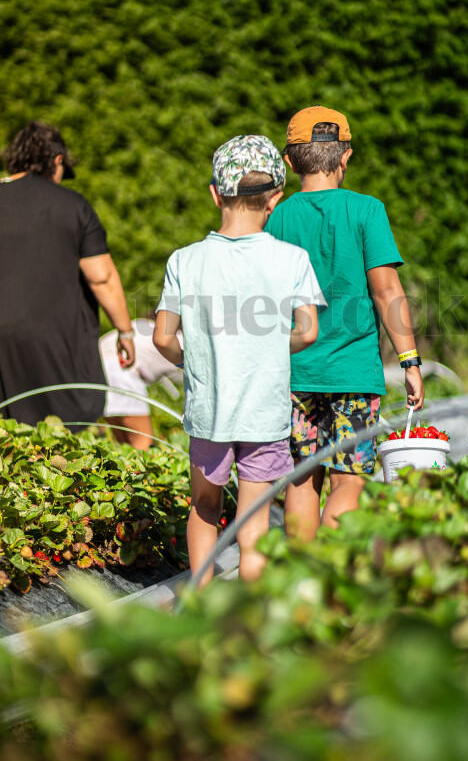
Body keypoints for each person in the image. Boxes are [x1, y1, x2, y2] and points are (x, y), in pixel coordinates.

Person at [153, 135, 325, 584]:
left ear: (215, 194)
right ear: (275, 199)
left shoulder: (184, 260)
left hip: (209, 411)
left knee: (204, 508)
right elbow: (308, 331)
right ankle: (250, 622)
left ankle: (199, 602)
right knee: (254, 527)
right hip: (265, 414)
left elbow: (162, 337)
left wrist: (192, 358)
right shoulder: (292, 259)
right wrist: (267, 346)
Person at [265, 105, 425, 540]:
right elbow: (387, 291)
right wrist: (410, 361)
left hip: (294, 373)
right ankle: (332, 580)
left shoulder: (277, 217)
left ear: (290, 160)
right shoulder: (367, 210)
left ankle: (299, 587)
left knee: (301, 480)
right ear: (346, 156)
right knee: (349, 480)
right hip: (355, 374)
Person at [0, 121, 134, 429]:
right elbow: (102, 278)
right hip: (53, 343)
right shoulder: (73, 206)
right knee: (55, 432)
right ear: (57, 160)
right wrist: (124, 332)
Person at [99, 317, 183, 451]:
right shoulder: (178, 339)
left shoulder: (145, 325)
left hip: (97, 368)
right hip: (119, 371)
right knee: (142, 442)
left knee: (123, 444)